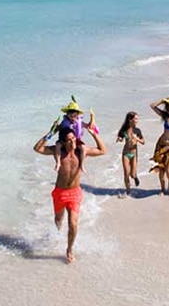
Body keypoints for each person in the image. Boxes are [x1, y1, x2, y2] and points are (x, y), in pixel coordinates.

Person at [33, 124, 106, 263]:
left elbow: (103, 150)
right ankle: (56, 236)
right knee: (59, 220)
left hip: (75, 193)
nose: (73, 142)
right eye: (69, 140)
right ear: (63, 142)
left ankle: (69, 248)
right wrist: (50, 133)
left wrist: (93, 133)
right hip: (60, 193)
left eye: (74, 139)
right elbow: (37, 148)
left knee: (73, 223)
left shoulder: (81, 152)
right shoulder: (58, 152)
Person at [52, 96, 97, 173]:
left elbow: (89, 126)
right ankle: (58, 163)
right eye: (70, 115)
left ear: (77, 115)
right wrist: (55, 125)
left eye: (75, 115)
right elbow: (58, 129)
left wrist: (92, 118)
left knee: (83, 148)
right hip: (64, 139)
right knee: (58, 146)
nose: (72, 117)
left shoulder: (80, 122)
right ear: (67, 114)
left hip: (76, 139)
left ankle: (82, 164)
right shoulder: (64, 122)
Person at [116, 111, 145, 196]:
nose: (137, 120)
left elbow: (143, 142)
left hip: (134, 154)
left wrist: (137, 139)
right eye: (135, 118)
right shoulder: (124, 130)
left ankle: (135, 177)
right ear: (130, 119)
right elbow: (120, 137)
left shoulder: (137, 130)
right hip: (126, 153)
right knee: (126, 173)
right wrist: (119, 139)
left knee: (132, 174)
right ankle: (128, 191)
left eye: (137, 119)